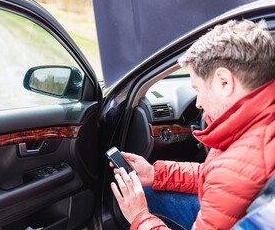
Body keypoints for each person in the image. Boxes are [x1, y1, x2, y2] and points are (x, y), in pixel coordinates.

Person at [110, 19, 275, 230]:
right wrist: (155, 173)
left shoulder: (237, 165)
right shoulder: (256, 125)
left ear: (224, 82)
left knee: (143, 203)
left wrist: (139, 216)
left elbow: (226, 177)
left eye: (198, 89)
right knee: (150, 192)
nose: (198, 103)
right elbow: (216, 173)